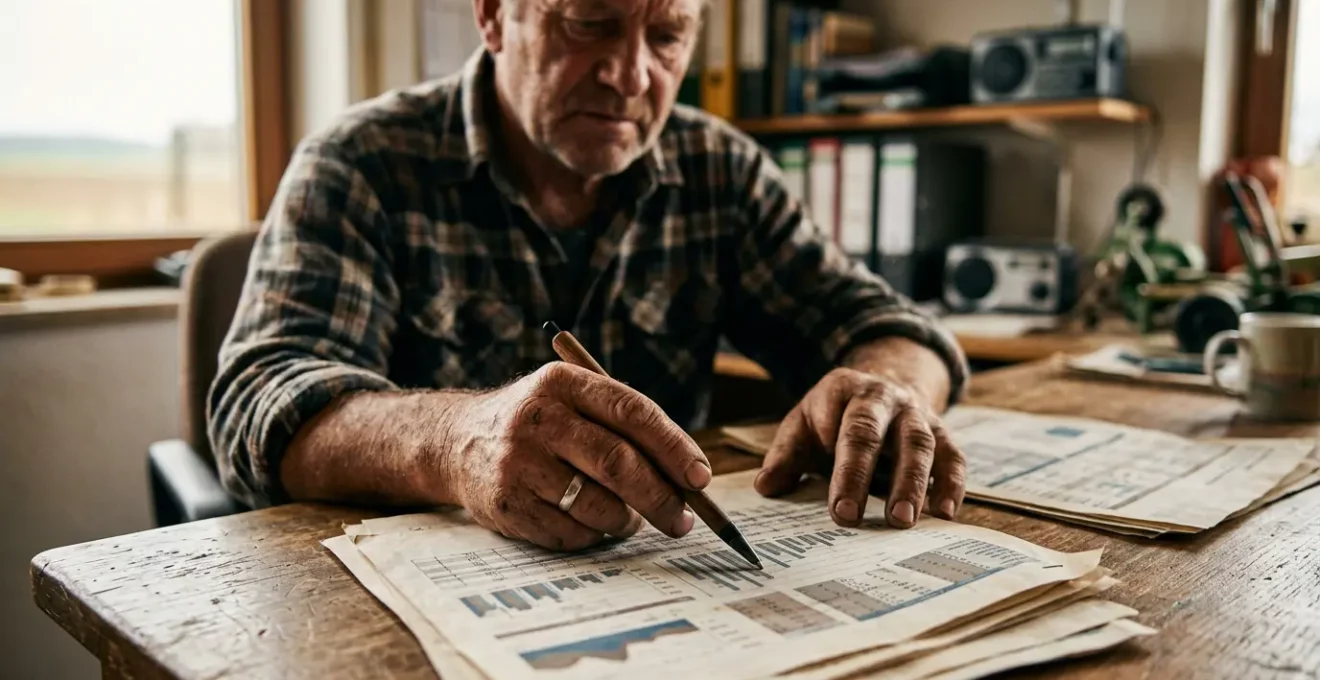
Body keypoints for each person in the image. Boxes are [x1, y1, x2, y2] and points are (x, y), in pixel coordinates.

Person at [208, 0, 971, 552]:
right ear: (493, 15)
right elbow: (258, 401)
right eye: (590, 22)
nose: (631, 76)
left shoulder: (718, 170)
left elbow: (888, 325)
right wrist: (456, 438)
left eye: (668, 35)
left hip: (664, 591)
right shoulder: (362, 162)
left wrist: (887, 386)